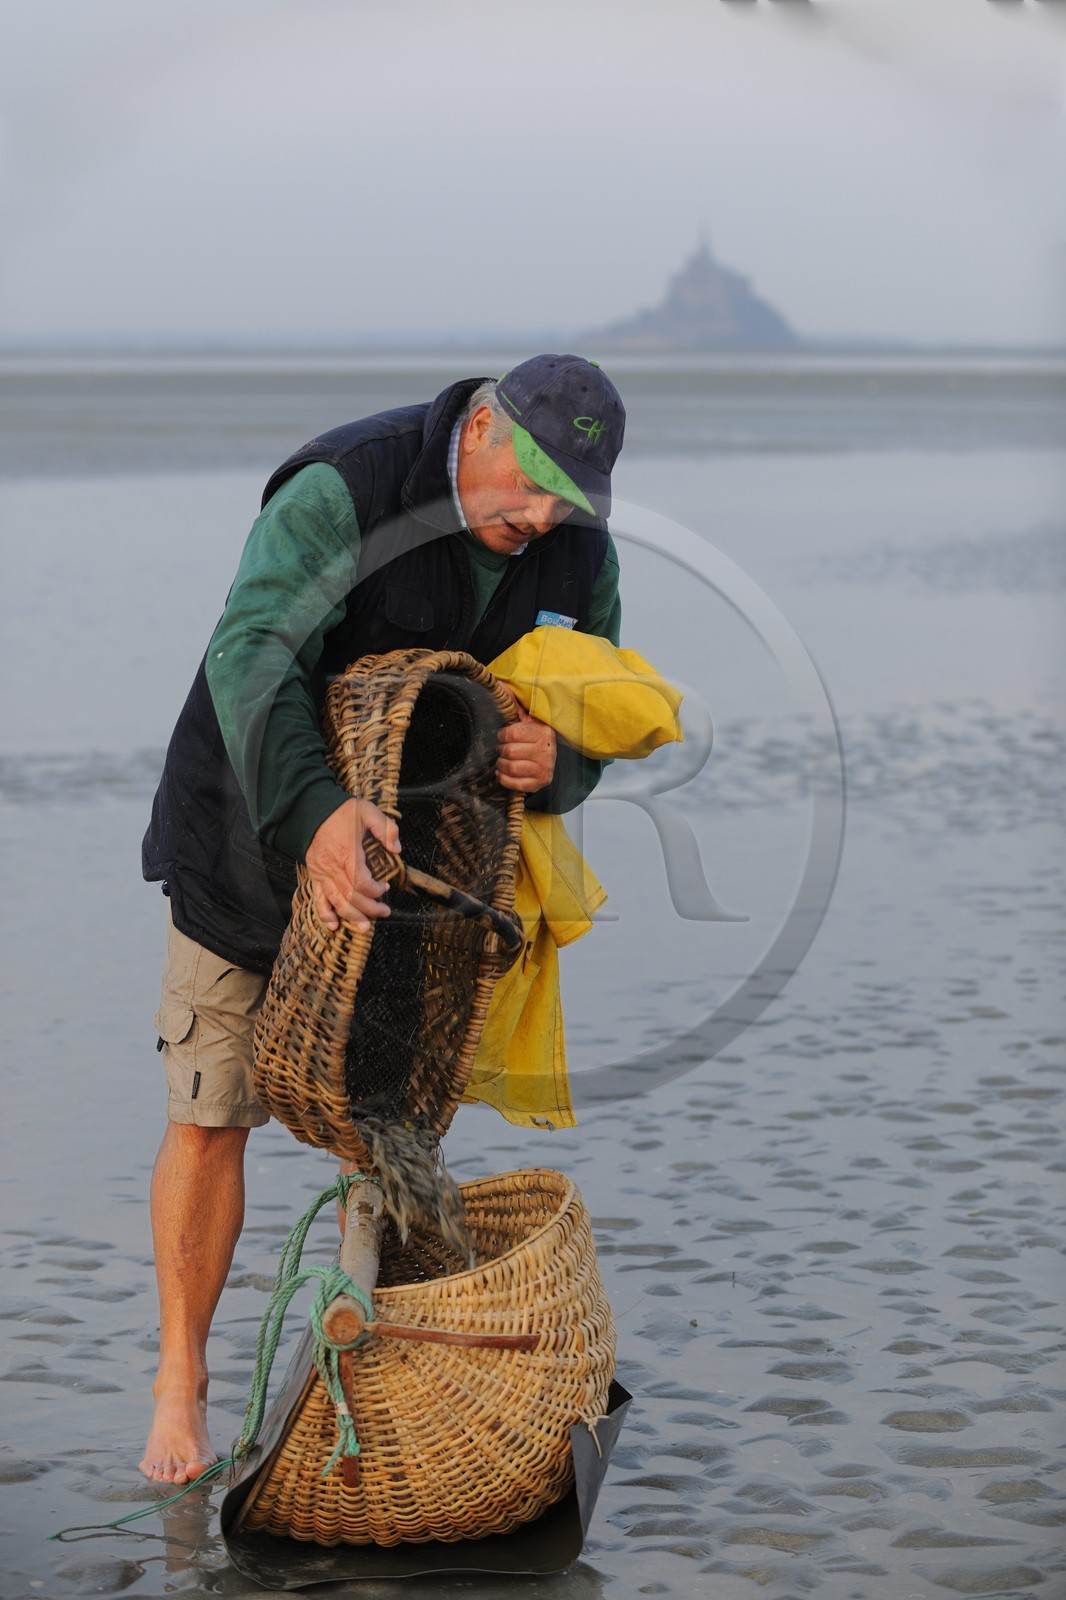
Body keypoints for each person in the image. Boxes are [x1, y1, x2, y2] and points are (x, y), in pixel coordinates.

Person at [138, 354, 626, 1484]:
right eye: (532, 480)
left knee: (396, 1121)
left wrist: (561, 765)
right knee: (211, 1107)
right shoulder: (349, 490)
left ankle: (379, 1390)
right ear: (483, 426)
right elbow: (250, 654)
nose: (541, 515)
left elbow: (591, 703)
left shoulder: (575, 544)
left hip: (426, 877)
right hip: (249, 835)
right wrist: (314, 816)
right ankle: (181, 1381)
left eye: (571, 495)